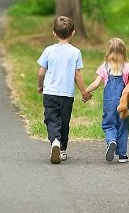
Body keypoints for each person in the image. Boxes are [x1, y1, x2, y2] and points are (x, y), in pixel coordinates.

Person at [37, 16, 91, 164]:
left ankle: (55, 141)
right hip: (66, 95)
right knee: (64, 121)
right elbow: (77, 75)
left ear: (54, 33)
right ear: (73, 33)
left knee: (52, 120)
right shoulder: (75, 52)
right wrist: (84, 92)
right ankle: (63, 150)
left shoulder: (48, 50)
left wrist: (40, 85)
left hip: (50, 93)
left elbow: (41, 72)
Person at [86, 38, 129, 163]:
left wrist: (86, 91)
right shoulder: (127, 66)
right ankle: (122, 155)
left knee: (109, 124)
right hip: (124, 102)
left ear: (108, 52)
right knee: (123, 125)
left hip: (109, 102)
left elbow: (96, 83)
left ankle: (111, 141)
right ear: (124, 52)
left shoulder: (104, 67)